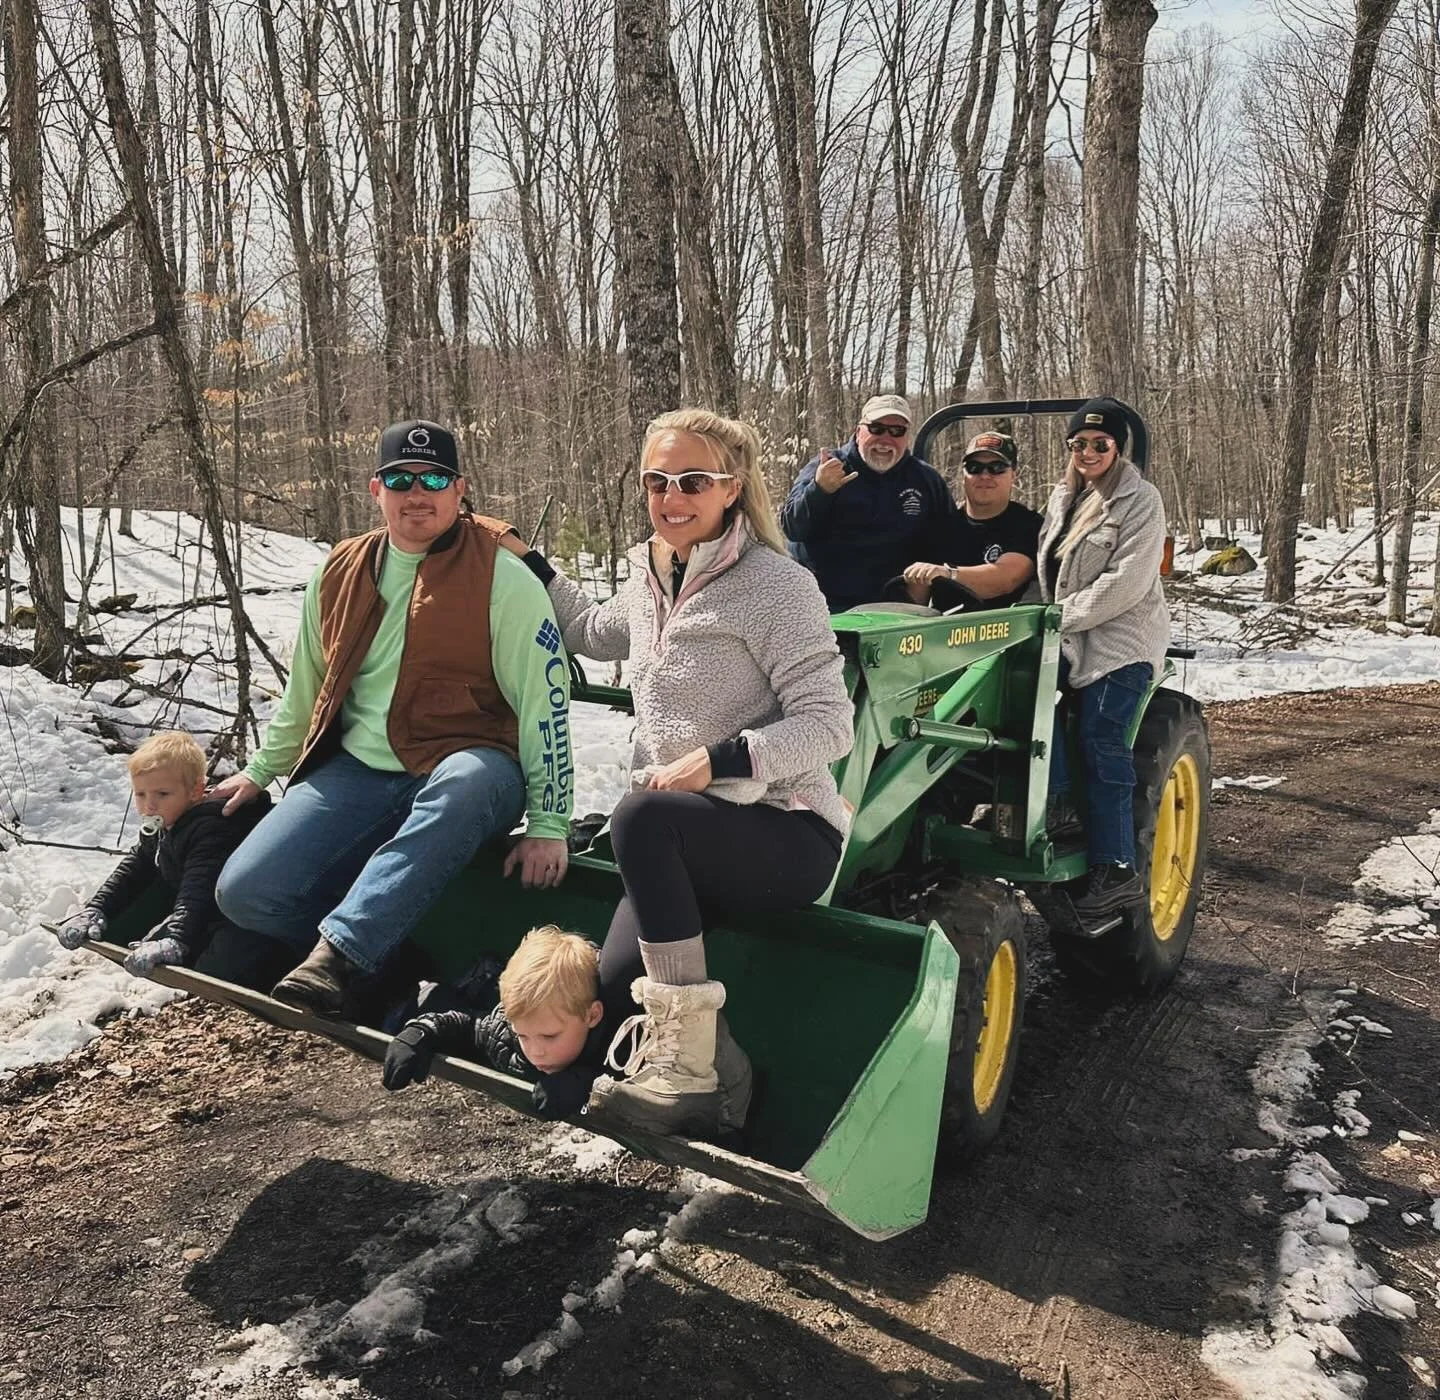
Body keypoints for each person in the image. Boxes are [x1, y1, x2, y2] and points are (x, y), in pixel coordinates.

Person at [505, 407, 853, 1139]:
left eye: (693, 481)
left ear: (732, 488)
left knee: (638, 813)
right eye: (656, 481)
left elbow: (830, 725)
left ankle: (686, 1070)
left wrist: (720, 761)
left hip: (785, 834)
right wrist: (528, 560)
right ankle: (724, 1080)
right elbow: (590, 630)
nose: (672, 496)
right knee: (603, 1004)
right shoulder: (648, 577)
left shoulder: (779, 586)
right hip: (680, 842)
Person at [210, 419, 574, 1016]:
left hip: (474, 768)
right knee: (248, 891)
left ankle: (339, 957)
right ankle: (390, 966)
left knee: (466, 780)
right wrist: (261, 770)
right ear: (375, 489)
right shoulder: (339, 571)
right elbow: (306, 691)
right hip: (361, 769)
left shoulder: (503, 578)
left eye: (434, 479)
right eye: (401, 479)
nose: (417, 493)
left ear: (460, 490)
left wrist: (549, 821)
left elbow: (544, 706)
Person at [1036, 398, 1169, 921]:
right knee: (1021, 700)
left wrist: (1058, 618)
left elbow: (1127, 582)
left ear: (1117, 448)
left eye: (1100, 443)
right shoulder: (1064, 498)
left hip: (1120, 642)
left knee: (1100, 736)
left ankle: (1117, 868)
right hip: (1068, 638)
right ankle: (1060, 809)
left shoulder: (1140, 500)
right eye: (1079, 443)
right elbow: (1048, 572)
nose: (1088, 452)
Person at [51, 730, 272, 976]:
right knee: (123, 925)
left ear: (195, 791)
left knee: (214, 966)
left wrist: (177, 937)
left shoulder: (211, 828)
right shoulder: (163, 822)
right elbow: (134, 867)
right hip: (202, 908)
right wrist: (97, 908)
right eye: (141, 794)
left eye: (163, 794)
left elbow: (199, 890)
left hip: (245, 917)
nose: (150, 804)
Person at [381, 926, 612, 1121]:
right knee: (440, 1005)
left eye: (549, 1036)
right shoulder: (505, 1033)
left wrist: (586, 1084)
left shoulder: (618, 1044)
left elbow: (622, 1078)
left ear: (592, 1016)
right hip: (483, 1004)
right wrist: (420, 1033)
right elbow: (465, 1027)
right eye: (522, 1035)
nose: (535, 1052)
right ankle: (475, 980)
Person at [780, 394, 954, 612]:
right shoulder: (828, 468)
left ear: (907, 437)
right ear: (858, 431)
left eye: (897, 431)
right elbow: (793, 529)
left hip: (894, 609)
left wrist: (920, 594)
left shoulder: (925, 480)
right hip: (823, 606)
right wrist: (820, 490)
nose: (885, 439)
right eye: (876, 429)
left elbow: (948, 543)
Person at [900, 431, 1042, 609]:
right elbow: (916, 600)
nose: (985, 476)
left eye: (997, 468)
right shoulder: (940, 527)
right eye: (974, 468)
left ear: (1014, 474)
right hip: (945, 624)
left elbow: (1007, 579)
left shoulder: (1028, 525)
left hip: (1005, 624)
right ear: (963, 475)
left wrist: (948, 574)